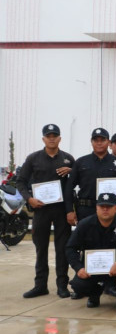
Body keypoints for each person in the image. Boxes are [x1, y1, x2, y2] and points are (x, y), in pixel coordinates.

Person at [16, 124, 75, 298]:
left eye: (54, 135)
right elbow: (20, 181)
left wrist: (72, 171)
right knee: (41, 248)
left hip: (61, 210)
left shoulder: (68, 159)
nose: (51, 138)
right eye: (48, 136)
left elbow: (77, 182)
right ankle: (40, 285)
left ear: (60, 139)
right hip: (40, 209)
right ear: (43, 139)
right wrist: (29, 199)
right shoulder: (33, 159)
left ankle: (62, 286)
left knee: (62, 249)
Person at [67, 193, 116, 313]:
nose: (105, 209)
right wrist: (79, 268)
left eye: (109, 207)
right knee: (78, 286)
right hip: (93, 268)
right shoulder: (85, 225)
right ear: (96, 208)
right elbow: (70, 248)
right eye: (102, 206)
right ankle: (94, 294)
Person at [65, 127, 116, 224]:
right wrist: (69, 211)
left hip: (109, 209)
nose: (99, 143)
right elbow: (69, 187)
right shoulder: (81, 162)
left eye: (103, 140)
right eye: (96, 140)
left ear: (108, 142)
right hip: (85, 210)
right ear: (91, 142)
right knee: (85, 238)